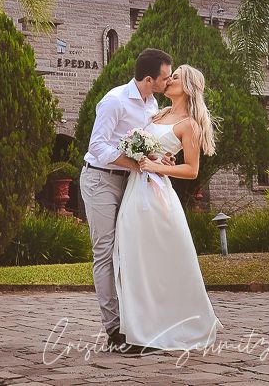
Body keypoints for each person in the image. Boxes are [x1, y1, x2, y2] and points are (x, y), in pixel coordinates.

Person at [113, 63, 222, 352]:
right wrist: (141, 156)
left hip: (158, 195)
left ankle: (167, 327)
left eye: (175, 78)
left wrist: (157, 168)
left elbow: (191, 170)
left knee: (160, 261)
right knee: (134, 257)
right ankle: (138, 330)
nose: (168, 81)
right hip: (136, 191)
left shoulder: (190, 125)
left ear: (187, 87)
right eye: (170, 76)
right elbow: (145, 148)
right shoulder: (157, 113)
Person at [80, 47, 173, 354]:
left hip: (132, 184)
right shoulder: (114, 101)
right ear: (149, 78)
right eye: (164, 77)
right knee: (105, 252)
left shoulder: (152, 103)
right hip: (100, 180)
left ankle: (138, 323)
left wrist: (160, 158)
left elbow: (145, 146)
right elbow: (97, 147)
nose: (168, 81)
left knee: (132, 251)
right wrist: (132, 163)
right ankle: (114, 329)